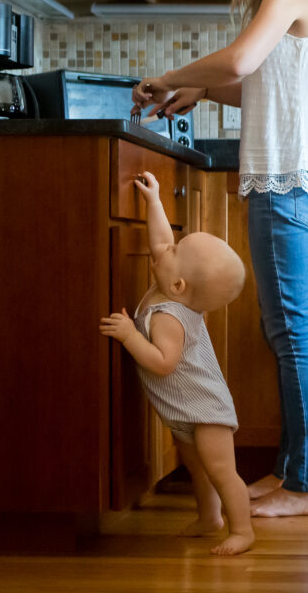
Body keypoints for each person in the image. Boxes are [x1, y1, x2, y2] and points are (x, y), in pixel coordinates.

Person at [131, 0, 308, 518]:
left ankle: (307, 487)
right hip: (291, 178)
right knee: (287, 332)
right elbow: (266, 86)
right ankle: (292, 474)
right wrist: (202, 93)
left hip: (289, 180)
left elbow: (243, 60)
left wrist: (174, 77)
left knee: (294, 335)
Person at [99, 172, 252, 555]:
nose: (166, 248)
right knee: (197, 469)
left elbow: (164, 363)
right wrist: (153, 202)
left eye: (176, 250)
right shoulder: (173, 284)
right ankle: (209, 518)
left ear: (179, 285)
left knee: (220, 471)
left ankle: (242, 530)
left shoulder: (169, 317)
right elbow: (162, 241)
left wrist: (130, 336)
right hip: (184, 411)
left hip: (206, 410)